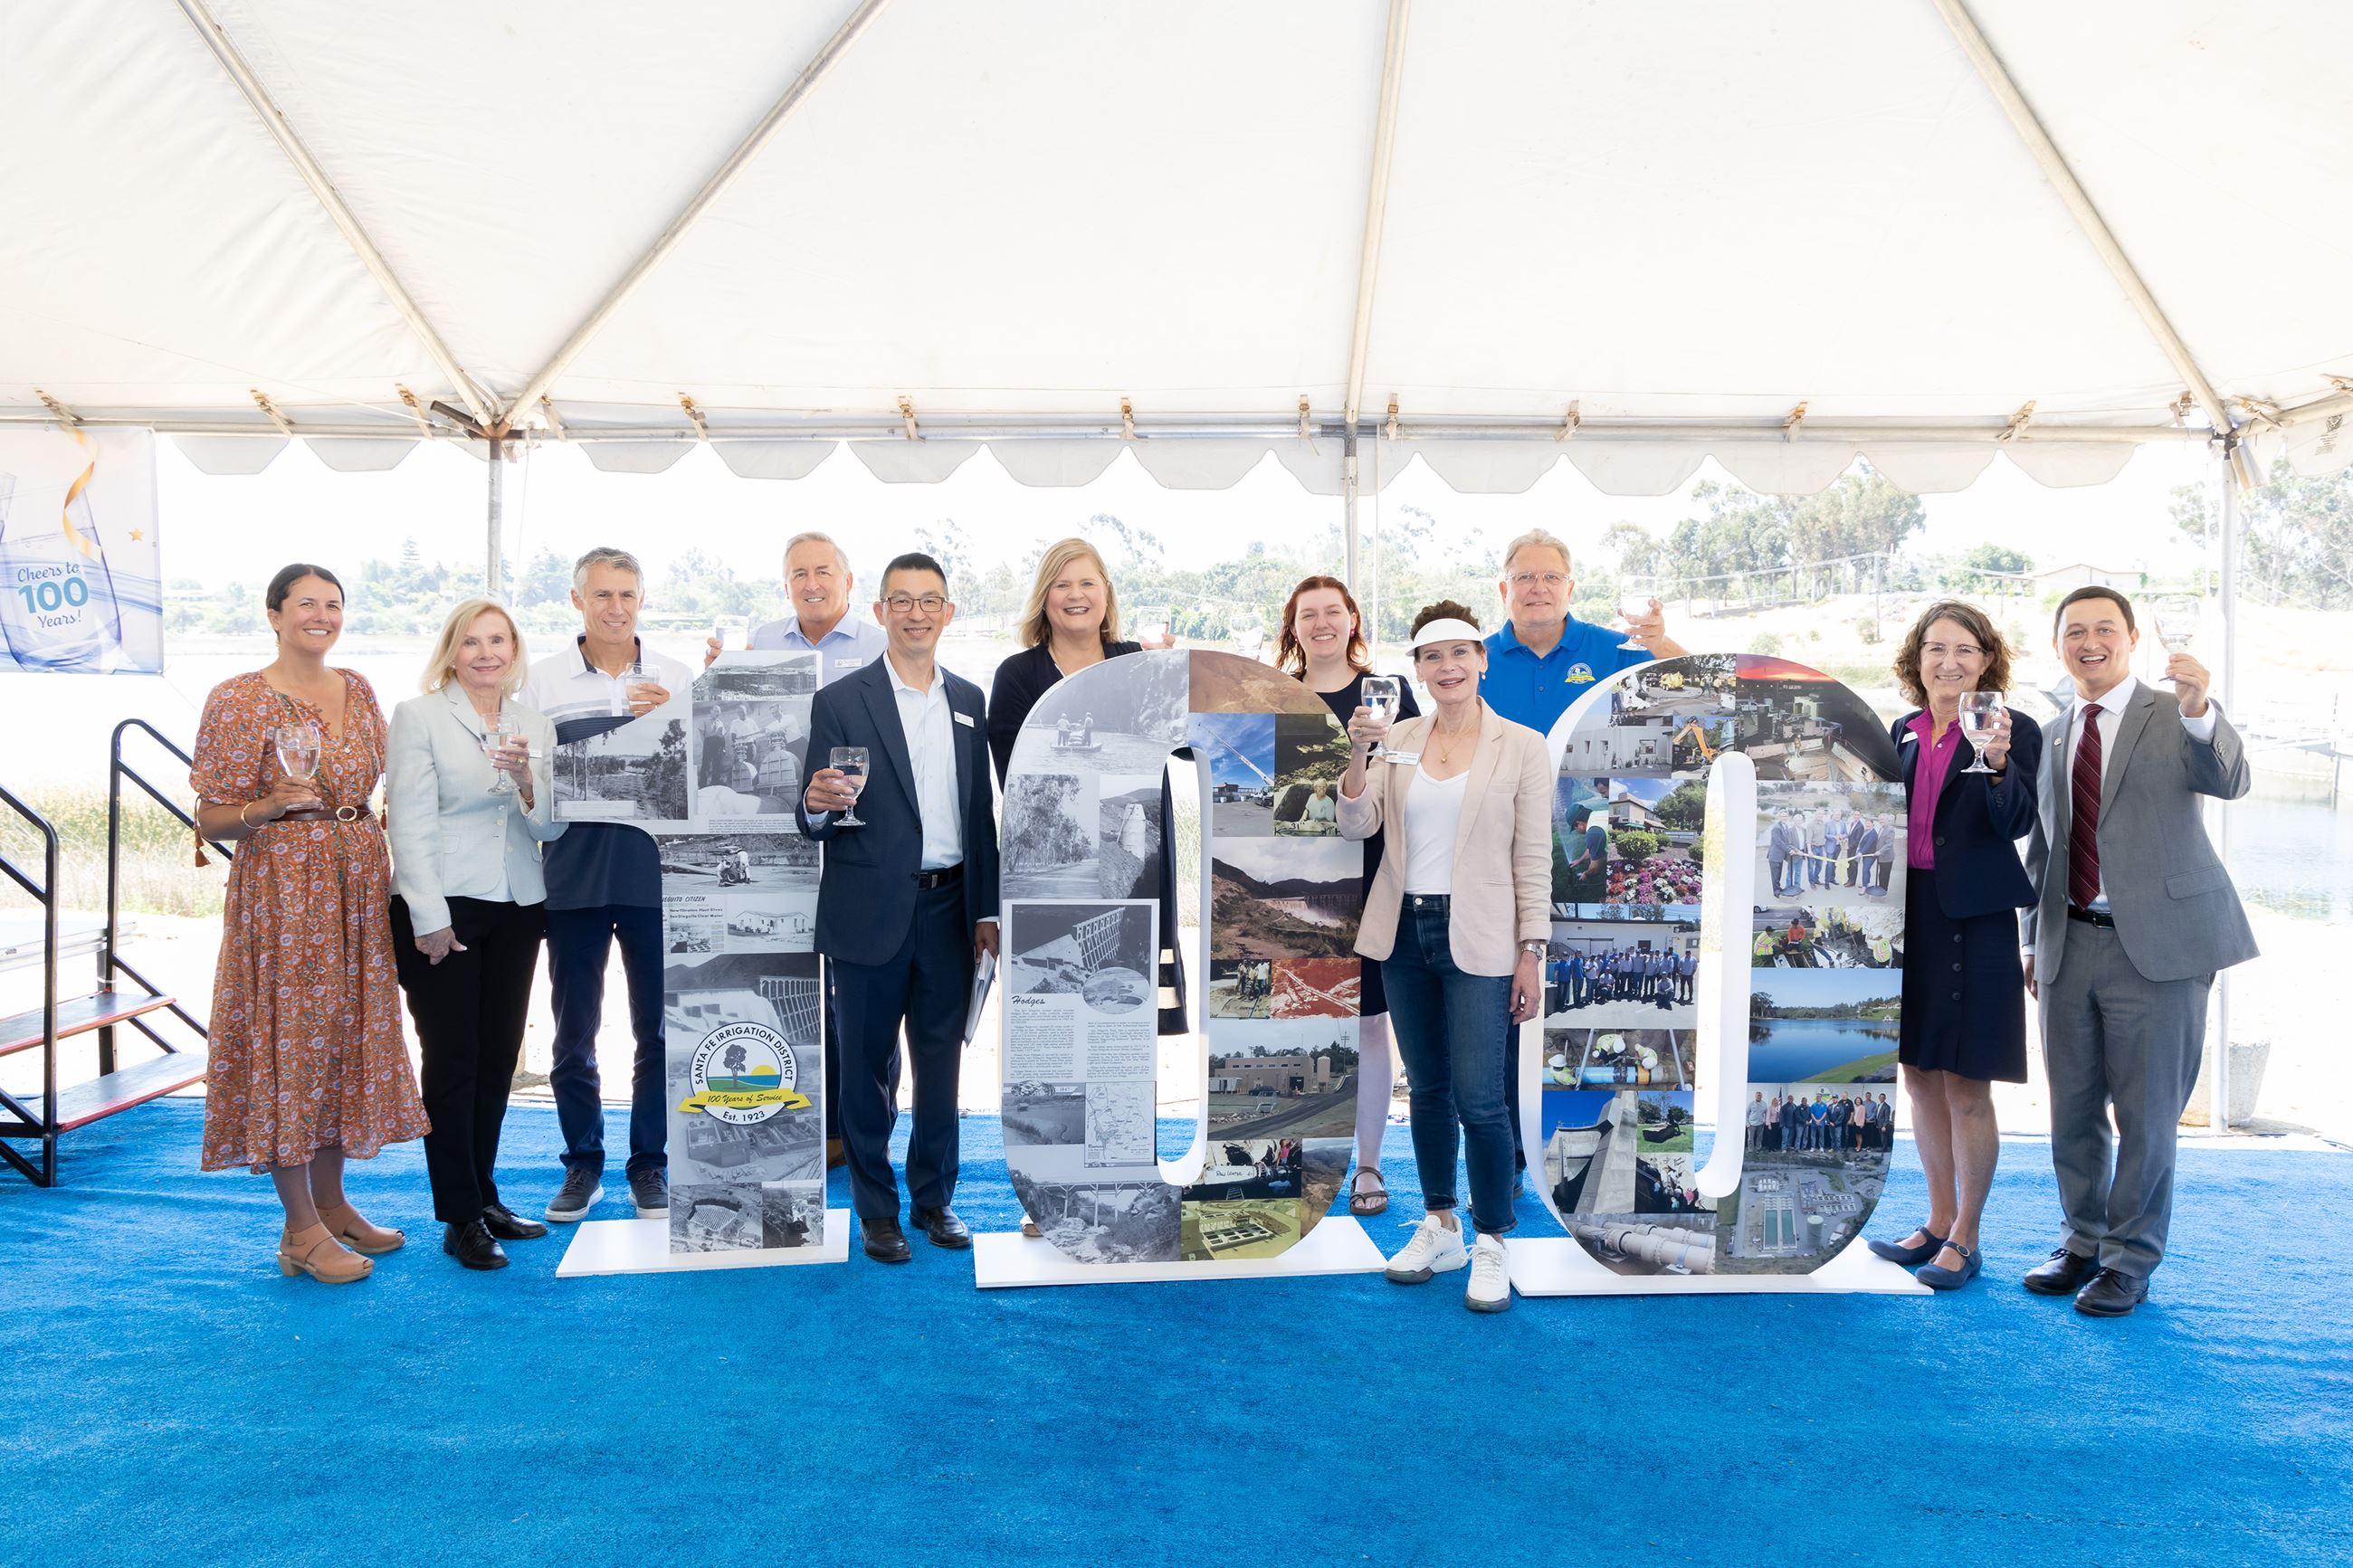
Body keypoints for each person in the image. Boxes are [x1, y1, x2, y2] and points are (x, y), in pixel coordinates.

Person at [2019, 587, 2256, 1317]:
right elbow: (2046, 847)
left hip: (2161, 950)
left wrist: (2198, 708)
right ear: (2059, 644)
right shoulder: (2056, 730)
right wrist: (2032, 939)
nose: (2090, 642)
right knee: (2074, 1110)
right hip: (2068, 944)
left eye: (2105, 629)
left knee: (2149, 1118)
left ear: (2132, 637)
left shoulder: (2173, 711)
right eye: (2075, 631)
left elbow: (2231, 779)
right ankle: (2082, 1241)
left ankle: (2129, 1259)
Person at [189, 565, 425, 1283]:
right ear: (274, 615)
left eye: (333, 605)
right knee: (288, 1045)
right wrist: (261, 810)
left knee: (340, 1041)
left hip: (355, 885)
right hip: (285, 892)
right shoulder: (236, 698)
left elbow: (391, 781)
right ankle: (298, 1229)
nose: (320, 615)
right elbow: (210, 816)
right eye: (305, 605)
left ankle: (332, 1203)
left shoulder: (357, 687)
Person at [1338, 602, 1552, 1314]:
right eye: (1433, 657)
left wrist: (1533, 951)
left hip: (1484, 936)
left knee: (1480, 1098)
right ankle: (1440, 1223)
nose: (1448, 667)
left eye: (1460, 652)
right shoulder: (1395, 736)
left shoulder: (1521, 745)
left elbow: (1532, 856)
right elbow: (1355, 822)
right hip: (1404, 931)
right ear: (1418, 668)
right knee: (1425, 1089)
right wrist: (1357, 755)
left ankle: (1493, 1236)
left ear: (1482, 659)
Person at [800, 553, 1001, 1264]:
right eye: (902, 600)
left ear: (949, 613)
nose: (917, 613)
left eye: (931, 600)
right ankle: (875, 1210)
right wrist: (816, 804)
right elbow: (813, 810)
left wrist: (989, 911)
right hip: (867, 912)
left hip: (950, 911)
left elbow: (981, 817)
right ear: (880, 611)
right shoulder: (841, 700)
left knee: (941, 1066)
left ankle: (933, 1200)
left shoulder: (971, 701)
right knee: (865, 1071)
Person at [1861, 602, 2043, 1290]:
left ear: (1987, 660)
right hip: (1911, 921)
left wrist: (1996, 762)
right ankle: (1936, 1220)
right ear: (1917, 659)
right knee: (1917, 1073)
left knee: (1968, 1083)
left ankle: (1968, 1235)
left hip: (1979, 920)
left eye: (1966, 650)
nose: (1950, 661)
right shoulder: (1901, 731)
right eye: (1936, 648)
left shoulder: (2013, 730)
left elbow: (2016, 820)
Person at [386, 599, 565, 1271]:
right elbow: (408, 819)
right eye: (472, 642)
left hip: (518, 904)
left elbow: (549, 827)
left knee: (497, 1060)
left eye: (499, 640)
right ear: (451, 651)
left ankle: (486, 1194)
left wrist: (526, 781)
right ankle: (458, 1214)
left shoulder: (532, 722)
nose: (487, 653)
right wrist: (428, 916)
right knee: (453, 1063)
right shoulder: (420, 715)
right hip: (444, 908)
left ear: (514, 648)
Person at [519, 547, 687, 1223]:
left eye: (627, 594)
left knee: (660, 1033)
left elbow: (698, 778)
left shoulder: (677, 674)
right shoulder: (543, 681)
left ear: (642, 599)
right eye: (602, 595)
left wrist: (677, 720)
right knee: (574, 1032)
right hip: (574, 879)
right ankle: (581, 1164)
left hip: (656, 878)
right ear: (577, 600)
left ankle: (650, 1164)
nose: (615, 607)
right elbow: (528, 781)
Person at [1278, 577, 1422, 1216]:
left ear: (1353, 618)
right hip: (1296, 881)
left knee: (1368, 1023)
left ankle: (1367, 1165)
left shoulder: (1387, 692)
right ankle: (1295, 1158)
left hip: (1370, 878)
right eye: (1308, 614)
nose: (1321, 623)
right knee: (1299, 1021)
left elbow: (1420, 772)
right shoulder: (1272, 696)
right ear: (1294, 627)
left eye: (1332, 611)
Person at [702, 529, 887, 682]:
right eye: (799, 574)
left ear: (848, 582)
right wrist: (714, 681)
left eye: (822, 572)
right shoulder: (757, 643)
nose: (812, 585)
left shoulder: (884, 649)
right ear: (786, 589)